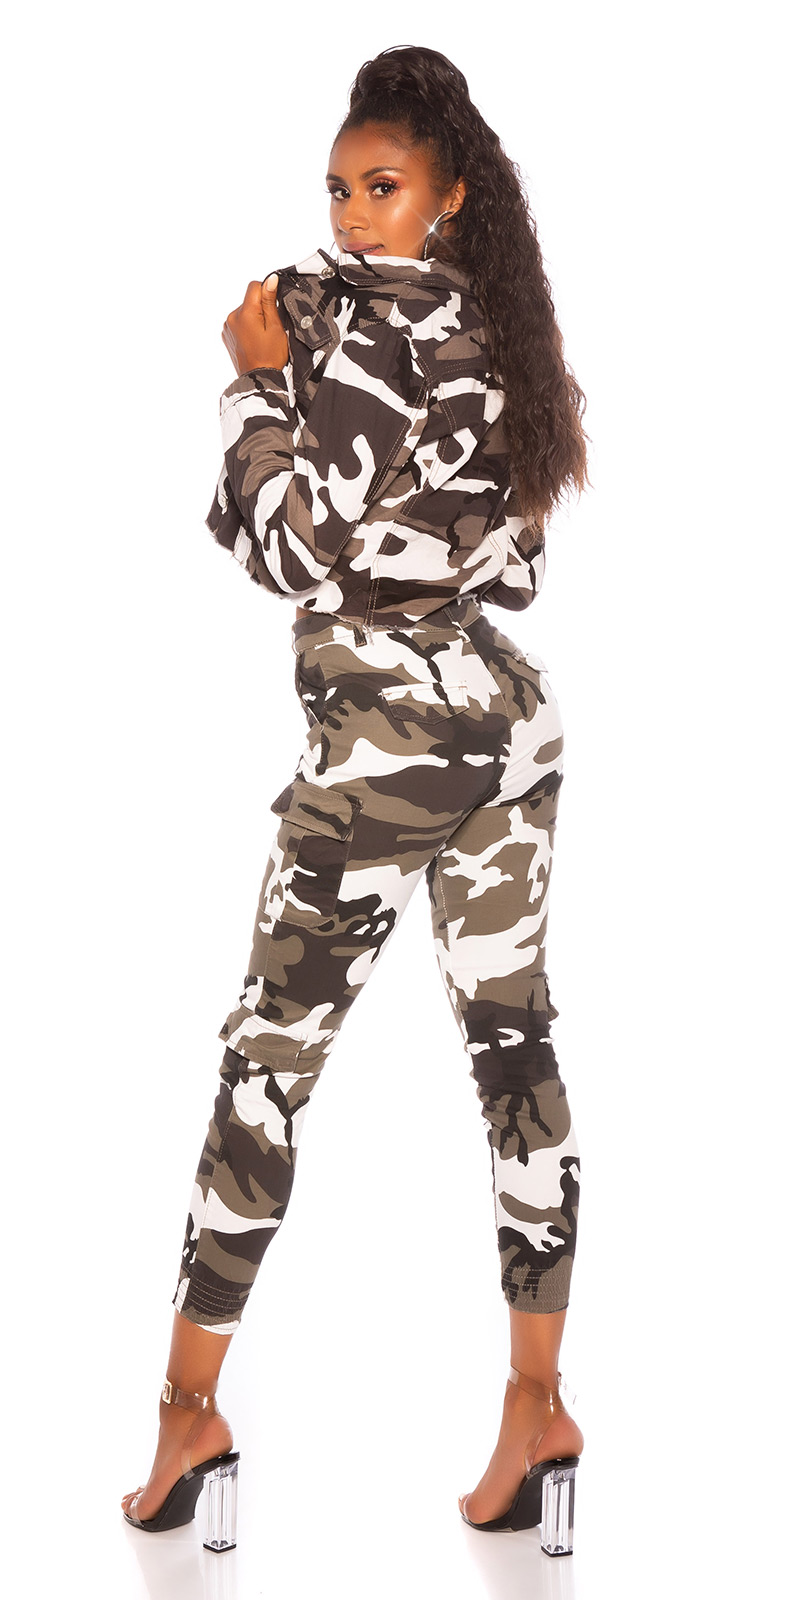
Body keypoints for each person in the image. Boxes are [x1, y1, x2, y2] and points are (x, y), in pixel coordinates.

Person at [121, 43, 590, 1559]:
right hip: (509, 732)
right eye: (337, 190)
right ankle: (539, 1407)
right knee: (514, 1051)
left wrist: (257, 384)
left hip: (386, 757)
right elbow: (512, 566)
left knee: (267, 1067)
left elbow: (288, 550)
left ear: (447, 195)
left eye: (382, 188)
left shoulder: (368, 334)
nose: (352, 214)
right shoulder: (507, 336)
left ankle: (188, 1416)